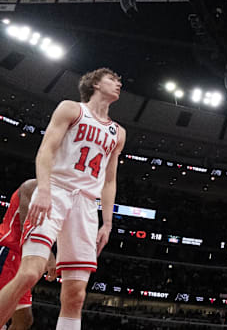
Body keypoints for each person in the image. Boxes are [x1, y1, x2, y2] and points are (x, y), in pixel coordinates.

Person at [0, 68, 126, 330]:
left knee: (75, 295)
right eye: (112, 79)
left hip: (86, 205)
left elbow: (110, 179)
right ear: (95, 83)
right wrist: (44, 189)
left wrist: (107, 222)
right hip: (57, 190)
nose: (119, 83)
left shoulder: (118, 132)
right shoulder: (71, 109)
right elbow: (46, 149)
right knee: (30, 273)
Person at [0, 179, 57, 330]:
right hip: (8, 252)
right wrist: (49, 255)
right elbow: (28, 225)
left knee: (24, 320)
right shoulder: (31, 186)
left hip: (25, 258)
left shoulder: (61, 196)